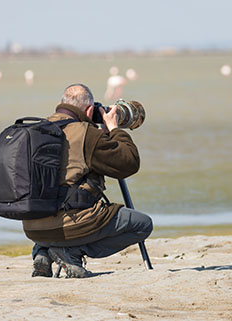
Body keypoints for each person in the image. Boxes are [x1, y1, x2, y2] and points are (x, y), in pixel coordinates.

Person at [24, 83, 153, 278]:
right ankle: (71, 252)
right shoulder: (87, 134)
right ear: (90, 110)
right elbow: (128, 163)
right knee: (142, 224)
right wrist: (114, 129)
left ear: (61, 104)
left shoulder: (37, 129)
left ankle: (42, 251)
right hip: (70, 225)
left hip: (32, 227)